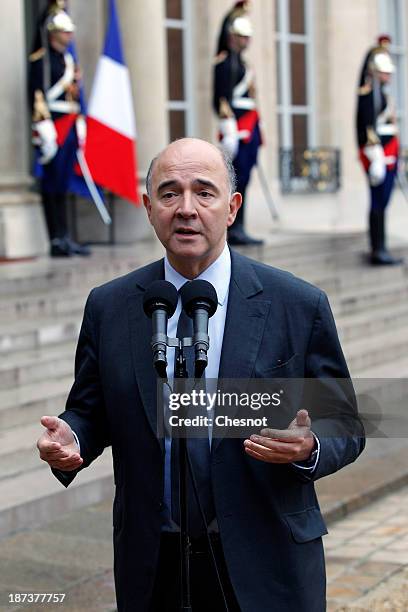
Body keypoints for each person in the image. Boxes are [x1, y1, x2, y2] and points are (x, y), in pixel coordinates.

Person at [37, 138, 365, 611]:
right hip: (153, 565)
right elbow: (91, 411)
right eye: (169, 194)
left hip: (265, 563)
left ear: (232, 207)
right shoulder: (110, 306)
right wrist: (73, 439)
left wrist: (311, 446)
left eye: (204, 192)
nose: (186, 208)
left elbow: (346, 422)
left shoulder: (297, 304)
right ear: (149, 209)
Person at [28, 1, 90, 257]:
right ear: (53, 33)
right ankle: (55, 237)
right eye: (65, 32)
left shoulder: (68, 59)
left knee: (63, 183)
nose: (69, 36)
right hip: (52, 126)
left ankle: (65, 235)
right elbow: (37, 94)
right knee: (50, 183)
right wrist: (42, 125)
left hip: (69, 124)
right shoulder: (41, 60)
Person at [213, 6, 263, 246]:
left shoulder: (244, 64)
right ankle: (233, 227)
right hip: (236, 128)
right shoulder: (224, 62)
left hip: (249, 127)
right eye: (242, 36)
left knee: (245, 179)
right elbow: (221, 99)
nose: (246, 41)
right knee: (237, 179)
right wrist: (228, 128)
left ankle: (240, 225)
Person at [356, 46, 402, 265]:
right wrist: (375, 157)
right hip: (379, 154)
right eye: (385, 71)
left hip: (388, 154)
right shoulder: (368, 93)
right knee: (377, 202)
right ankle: (377, 247)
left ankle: (381, 246)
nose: (388, 75)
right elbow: (366, 127)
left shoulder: (382, 93)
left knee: (383, 202)